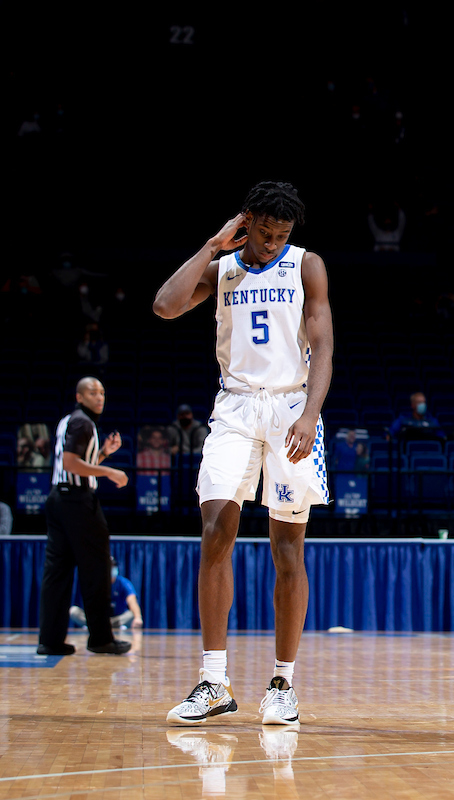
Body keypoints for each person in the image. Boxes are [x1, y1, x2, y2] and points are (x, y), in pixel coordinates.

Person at [153, 181, 332, 726]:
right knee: (215, 532)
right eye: (267, 231)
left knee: (287, 549)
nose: (275, 242)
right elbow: (164, 306)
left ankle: (282, 683)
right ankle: (214, 681)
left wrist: (309, 415)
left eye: (283, 234)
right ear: (246, 221)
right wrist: (210, 246)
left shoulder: (307, 265)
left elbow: (323, 343)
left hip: (290, 408)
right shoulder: (223, 267)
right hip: (234, 407)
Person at [38, 377, 131, 656]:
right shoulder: (83, 423)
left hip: (58, 499)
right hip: (78, 503)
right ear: (79, 397)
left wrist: (102, 454)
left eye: (102, 392)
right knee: (97, 570)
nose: (99, 397)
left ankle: (50, 640)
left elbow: (75, 464)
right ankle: (101, 639)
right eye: (92, 392)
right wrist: (111, 472)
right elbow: (70, 463)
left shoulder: (68, 420)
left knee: (57, 572)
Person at [70, 557, 144, 631]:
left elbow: (132, 600)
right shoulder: (97, 582)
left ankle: (104, 626)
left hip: (116, 618)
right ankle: (96, 624)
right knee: (73, 611)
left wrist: (138, 617)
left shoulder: (123, 582)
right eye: (109, 566)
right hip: (98, 618)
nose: (111, 568)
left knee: (131, 614)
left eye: (113, 566)